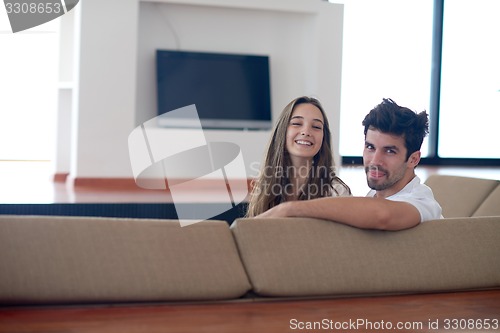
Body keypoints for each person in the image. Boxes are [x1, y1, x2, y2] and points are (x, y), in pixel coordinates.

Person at [255, 98, 442, 230]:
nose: (375, 161)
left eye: (389, 151)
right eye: (370, 147)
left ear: (414, 159)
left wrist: (289, 209)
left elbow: (382, 216)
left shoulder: (422, 201)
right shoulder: (372, 198)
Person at [245, 96, 351, 217]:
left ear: (323, 138)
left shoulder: (337, 191)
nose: (306, 132)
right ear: (282, 132)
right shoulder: (263, 187)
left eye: (316, 127)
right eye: (296, 123)